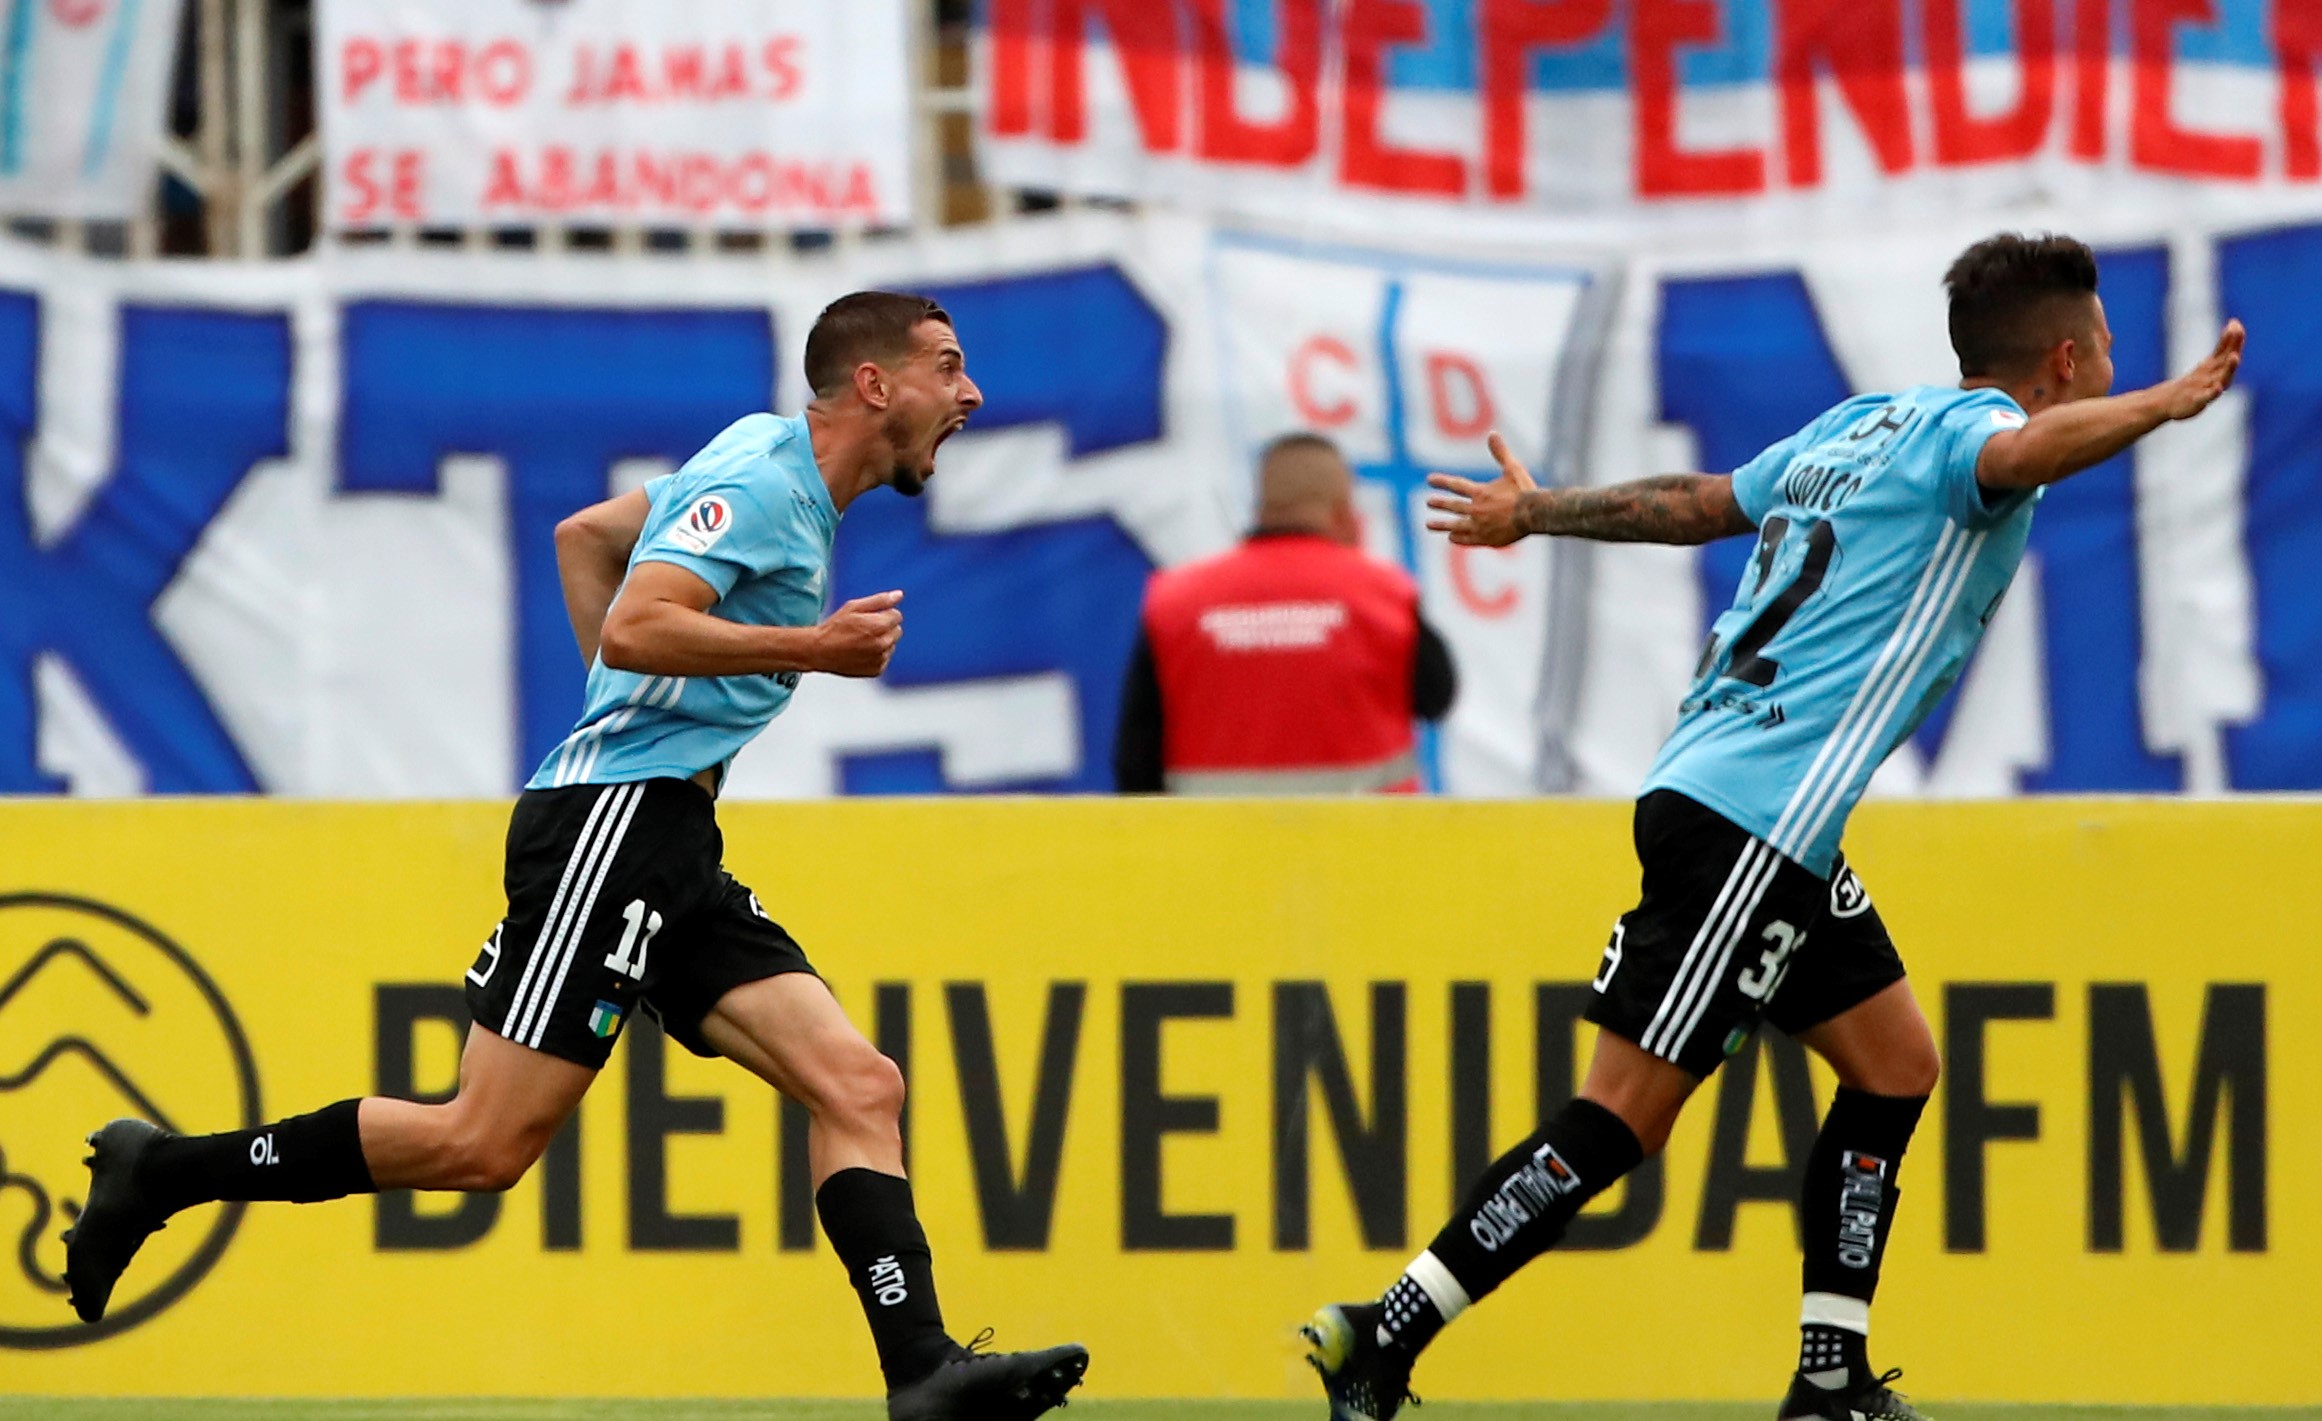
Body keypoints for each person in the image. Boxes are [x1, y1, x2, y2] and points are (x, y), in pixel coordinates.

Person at [64, 291, 1090, 1421]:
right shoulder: (765, 483)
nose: (972, 392)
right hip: (614, 825)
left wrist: (631, 711)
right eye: (949, 366)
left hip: (667, 838)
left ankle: (923, 1369)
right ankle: (162, 1171)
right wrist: (810, 649)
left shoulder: (762, 457)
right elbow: (635, 622)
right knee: (480, 1141)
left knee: (858, 1083)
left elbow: (587, 537)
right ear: (874, 385)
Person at [1300, 233, 2244, 1421]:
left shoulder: (1863, 423)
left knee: (1896, 1065)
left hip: (1749, 809)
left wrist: (1540, 510)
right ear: (2066, 356)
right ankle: (1383, 1333)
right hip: (1755, 820)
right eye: (2107, 351)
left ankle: (1829, 1373)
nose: (2114, 366)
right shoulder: (1976, 441)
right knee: (1620, 1118)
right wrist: (2169, 402)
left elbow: (1700, 504)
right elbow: (2025, 445)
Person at [1114, 433, 1456, 793]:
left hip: (1218, 846)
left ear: (1261, 509)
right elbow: (1438, 698)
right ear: (1344, 514)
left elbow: (1135, 762)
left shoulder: (1177, 603)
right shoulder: (1382, 597)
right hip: (1364, 844)